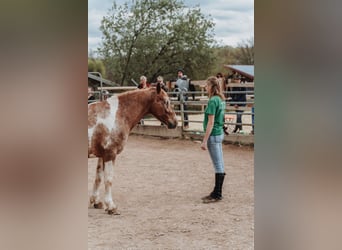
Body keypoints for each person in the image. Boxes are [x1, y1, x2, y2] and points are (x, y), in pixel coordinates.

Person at [201, 76, 226, 203]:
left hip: (214, 135)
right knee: (220, 163)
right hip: (219, 133)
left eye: (207, 85)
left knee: (218, 165)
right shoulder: (221, 99)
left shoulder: (212, 101)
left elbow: (210, 123)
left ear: (211, 86)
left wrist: (204, 140)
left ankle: (217, 193)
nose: (205, 87)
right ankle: (216, 191)